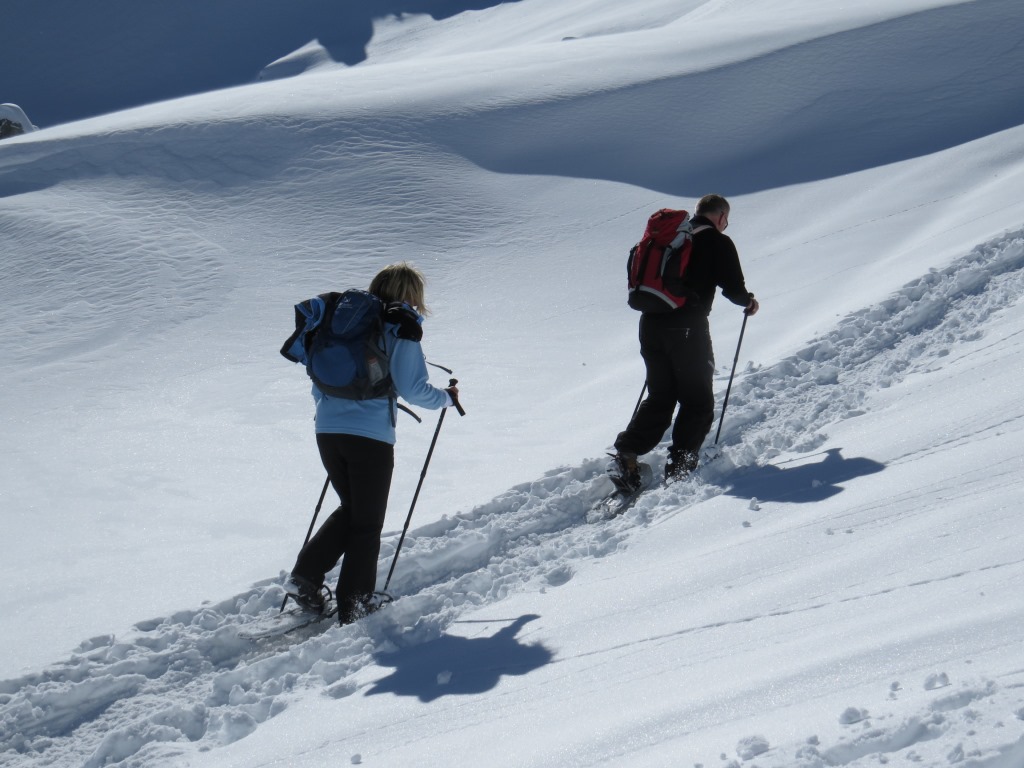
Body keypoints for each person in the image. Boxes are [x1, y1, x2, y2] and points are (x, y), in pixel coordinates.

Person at [288, 262, 458, 624]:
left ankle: (306, 576)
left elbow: (320, 379)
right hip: (370, 438)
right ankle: (354, 605)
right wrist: (446, 398)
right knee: (367, 524)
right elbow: (413, 389)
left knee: (353, 510)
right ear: (411, 295)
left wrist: (334, 417)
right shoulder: (400, 325)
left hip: (328, 431)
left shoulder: (343, 321)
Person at [609, 194, 759, 487]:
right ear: (721, 216)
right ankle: (680, 468)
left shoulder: (671, 240)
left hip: (650, 324)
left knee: (661, 395)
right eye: (726, 220)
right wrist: (749, 302)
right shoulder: (716, 241)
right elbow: (733, 288)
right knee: (697, 399)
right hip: (687, 328)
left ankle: (627, 455)